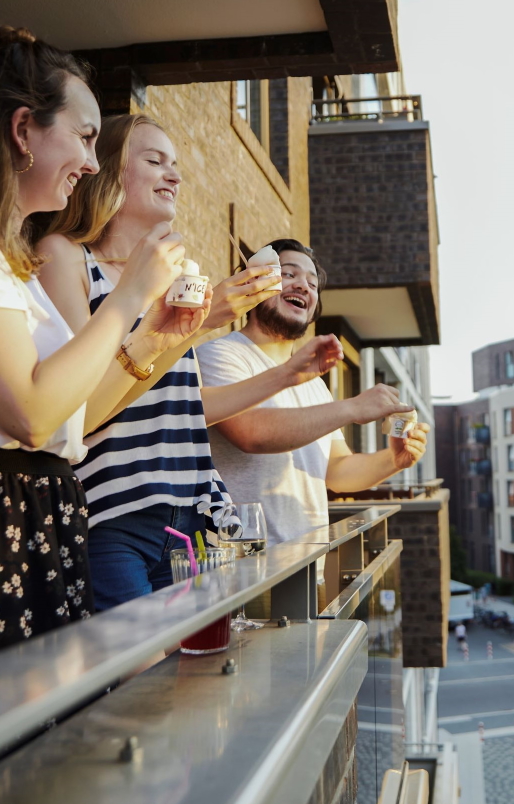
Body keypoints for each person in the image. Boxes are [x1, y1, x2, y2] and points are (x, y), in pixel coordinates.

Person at [35, 114, 341, 610]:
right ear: (106, 171)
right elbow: (78, 401)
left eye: (176, 164)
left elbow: (186, 406)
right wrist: (200, 323)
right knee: (138, 677)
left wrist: (289, 373)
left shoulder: (170, 278)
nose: (175, 176)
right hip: (114, 513)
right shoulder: (67, 258)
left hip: (193, 516)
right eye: (155, 161)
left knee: (194, 674)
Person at [0, 28, 192, 646]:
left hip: (41, 518)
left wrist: (161, 333)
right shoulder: (47, 259)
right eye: (84, 137)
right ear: (24, 129)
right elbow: (33, 413)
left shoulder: (15, 265)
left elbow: (71, 414)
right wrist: (132, 298)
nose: (90, 160)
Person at [197, 239, 429, 547]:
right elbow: (251, 432)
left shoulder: (316, 385)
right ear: (254, 282)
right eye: (289, 274)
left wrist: (394, 460)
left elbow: (336, 472)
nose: (303, 286)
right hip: (245, 568)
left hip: (309, 566)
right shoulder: (220, 354)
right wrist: (351, 409)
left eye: (312, 282)